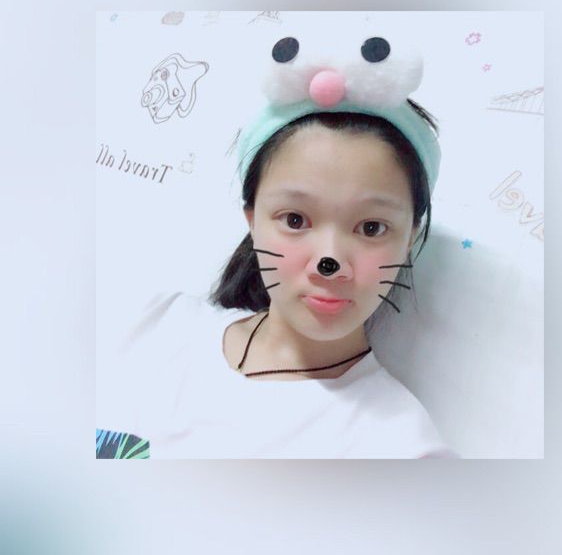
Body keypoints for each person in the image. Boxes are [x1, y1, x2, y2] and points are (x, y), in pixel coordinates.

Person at [96, 32, 456, 458]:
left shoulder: (401, 447)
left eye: (371, 227)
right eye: (295, 220)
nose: (329, 260)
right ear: (253, 220)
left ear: (410, 237)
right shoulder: (150, 325)